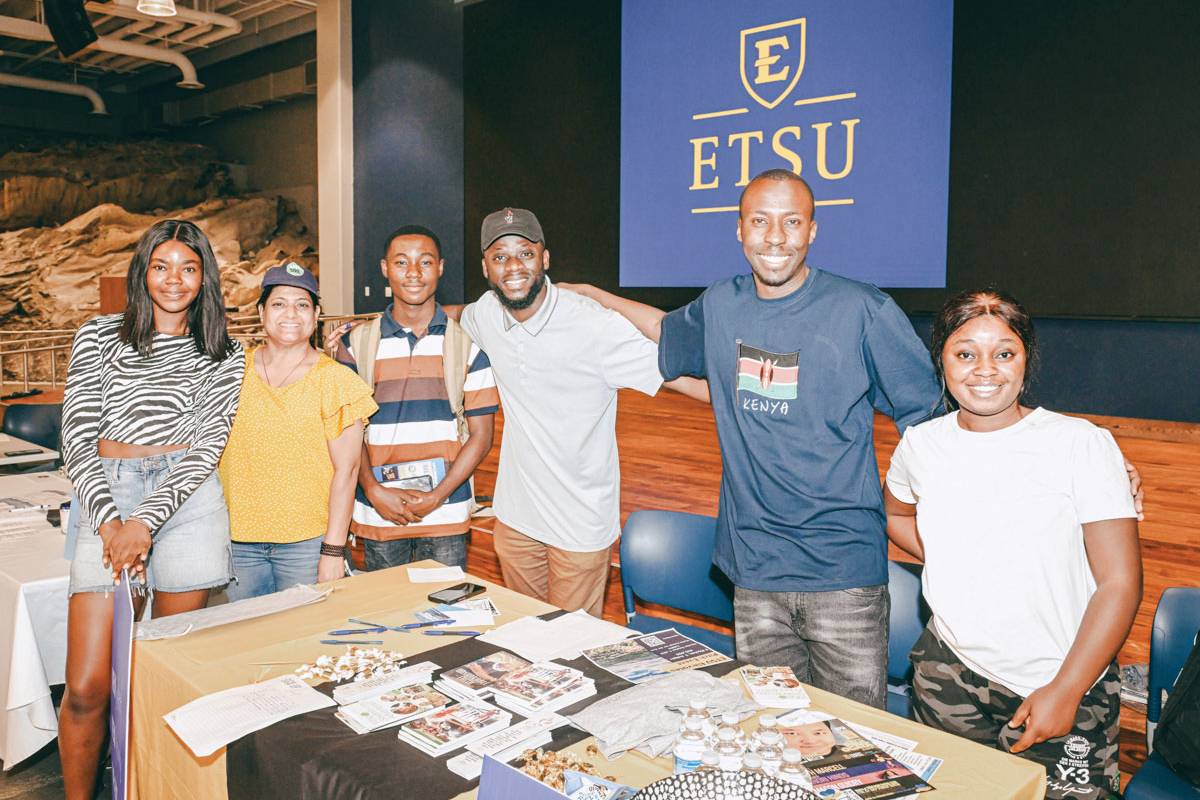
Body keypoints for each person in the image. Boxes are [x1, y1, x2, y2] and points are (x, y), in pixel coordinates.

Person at [560, 170, 938, 704]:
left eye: (791, 222)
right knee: (771, 735)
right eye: (760, 221)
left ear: (813, 231)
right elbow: (665, 329)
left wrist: (925, 517)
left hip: (844, 576)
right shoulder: (721, 305)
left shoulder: (863, 310)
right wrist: (596, 295)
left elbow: (931, 422)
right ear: (740, 230)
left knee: (856, 748)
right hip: (754, 573)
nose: (776, 237)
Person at [884, 289, 1140, 800]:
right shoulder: (922, 443)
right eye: (965, 353)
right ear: (942, 359)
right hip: (947, 675)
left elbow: (1121, 582)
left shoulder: (1080, 444)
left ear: (1027, 358)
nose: (985, 369)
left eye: (1004, 352)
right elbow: (894, 512)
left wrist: (1066, 691)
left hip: (1058, 683)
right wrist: (959, 558)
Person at [59, 219, 244, 799]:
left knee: (161, 679)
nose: (174, 280)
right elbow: (77, 434)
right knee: (88, 685)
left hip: (186, 503)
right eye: (161, 266)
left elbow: (206, 447)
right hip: (104, 497)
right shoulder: (97, 335)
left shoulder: (223, 351)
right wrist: (114, 521)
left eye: (188, 269)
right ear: (143, 272)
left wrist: (145, 522)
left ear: (204, 278)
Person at [451, 208, 707, 618]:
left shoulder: (595, 327)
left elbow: (686, 380)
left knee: (572, 651)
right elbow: (450, 315)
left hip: (579, 527)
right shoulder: (487, 313)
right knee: (526, 635)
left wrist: (760, 391)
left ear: (545, 259)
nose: (513, 266)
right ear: (486, 267)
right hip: (515, 522)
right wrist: (365, 330)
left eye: (525, 253)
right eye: (500, 257)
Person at [332, 225, 498, 571]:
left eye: (424, 263)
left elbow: (482, 436)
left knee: (447, 619)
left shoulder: (467, 346)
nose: (413, 274)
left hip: (446, 512)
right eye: (401, 262)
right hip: (380, 512)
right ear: (384, 268)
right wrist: (374, 489)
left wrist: (439, 495)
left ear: (440, 267)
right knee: (385, 618)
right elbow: (347, 432)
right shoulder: (356, 346)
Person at [218, 263, 377, 600]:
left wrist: (333, 551)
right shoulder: (231, 372)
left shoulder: (336, 381)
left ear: (316, 313)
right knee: (242, 641)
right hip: (237, 542)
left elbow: (347, 473)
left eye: (302, 304)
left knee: (303, 641)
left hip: (306, 545)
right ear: (262, 312)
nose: (290, 313)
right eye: (278, 304)